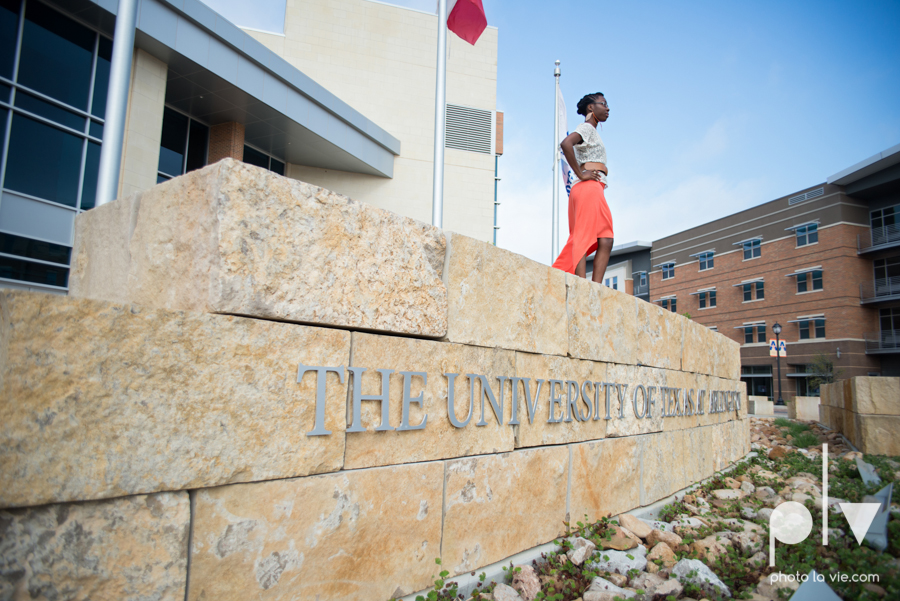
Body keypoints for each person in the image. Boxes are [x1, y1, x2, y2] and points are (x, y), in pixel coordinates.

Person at [552, 92, 613, 282]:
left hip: (595, 188)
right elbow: (566, 143)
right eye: (603, 104)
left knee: (606, 238)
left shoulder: (591, 131)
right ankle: (581, 283)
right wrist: (580, 173)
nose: (608, 108)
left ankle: (594, 288)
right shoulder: (586, 128)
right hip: (588, 187)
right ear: (591, 108)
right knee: (583, 236)